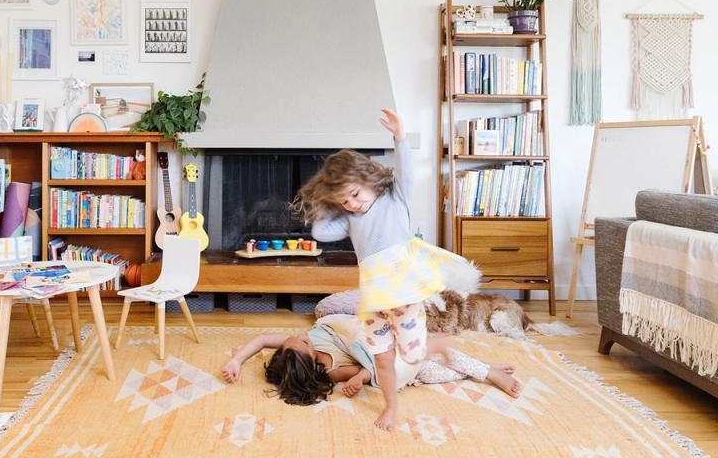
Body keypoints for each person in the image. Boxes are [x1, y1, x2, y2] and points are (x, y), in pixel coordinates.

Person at [291, 108, 493, 431]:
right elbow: (319, 233)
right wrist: (331, 202)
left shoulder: (395, 197)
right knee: (381, 359)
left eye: (355, 195)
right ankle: (391, 407)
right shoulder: (349, 220)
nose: (353, 204)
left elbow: (406, 170)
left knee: (412, 356)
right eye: (345, 201)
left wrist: (399, 137)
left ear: (369, 180)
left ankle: (435, 345)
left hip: (402, 296)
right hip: (374, 304)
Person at [220, 313, 521, 407]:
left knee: (431, 350)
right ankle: (480, 371)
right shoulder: (329, 370)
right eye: (301, 341)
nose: (301, 334)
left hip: (386, 345)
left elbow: (260, 340)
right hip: (400, 373)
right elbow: (366, 370)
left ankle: (489, 373)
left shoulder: (305, 341)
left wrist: (237, 361)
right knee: (431, 370)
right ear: (308, 357)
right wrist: (360, 378)